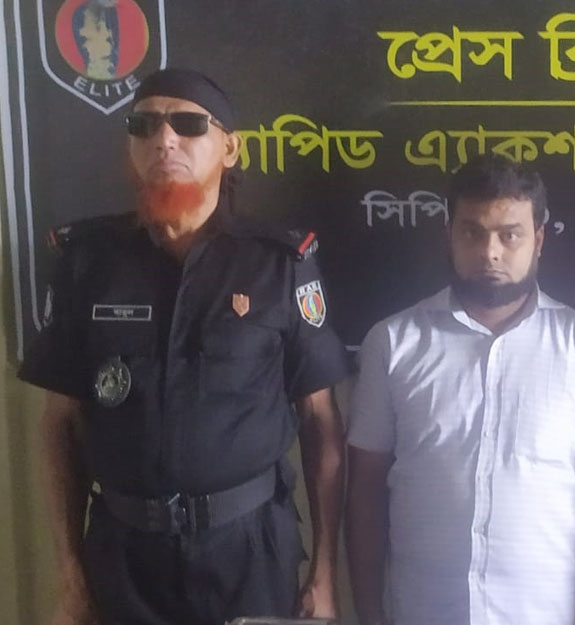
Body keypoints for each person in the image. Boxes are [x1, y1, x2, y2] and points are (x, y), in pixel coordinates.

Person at [19, 68, 349, 625]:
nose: (164, 140)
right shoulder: (86, 262)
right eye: (144, 125)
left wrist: (324, 573)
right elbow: (59, 426)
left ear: (230, 148)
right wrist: (71, 574)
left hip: (248, 556)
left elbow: (321, 421)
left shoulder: (280, 265)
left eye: (189, 124)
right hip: (123, 561)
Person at [345, 154, 575, 625]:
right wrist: (370, 613)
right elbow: (365, 491)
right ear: (448, 236)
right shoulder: (393, 342)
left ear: (539, 240)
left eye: (509, 235)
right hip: (423, 613)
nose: (490, 252)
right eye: (472, 233)